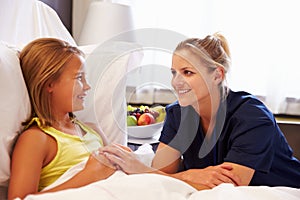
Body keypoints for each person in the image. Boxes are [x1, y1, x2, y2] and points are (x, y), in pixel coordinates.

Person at [100, 33, 300, 189]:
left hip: (282, 189)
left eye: (187, 72)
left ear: (217, 75)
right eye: (174, 73)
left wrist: (142, 170)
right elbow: (161, 172)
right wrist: (188, 175)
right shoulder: (178, 114)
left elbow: (228, 185)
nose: (176, 82)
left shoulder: (252, 117)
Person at [8, 38, 119, 200]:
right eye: (79, 78)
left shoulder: (92, 129)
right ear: (49, 84)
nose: (87, 86)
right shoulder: (37, 139)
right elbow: (19, 198)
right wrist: (89, 175)